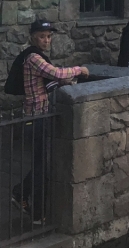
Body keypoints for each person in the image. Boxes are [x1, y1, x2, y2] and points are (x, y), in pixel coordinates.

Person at [9, 20, 88, 223]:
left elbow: (50, 78)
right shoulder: (34, 57)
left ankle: (24, 197)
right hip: (36, 117)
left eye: (49, 36)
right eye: (43, 36)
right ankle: (34, 208)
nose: (47, 40)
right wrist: (79, 70)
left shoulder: (37, 57)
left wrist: (66, 81)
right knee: (41, 165)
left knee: (42, 163)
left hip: (41, 115)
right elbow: (55, 72)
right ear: (34, 37)